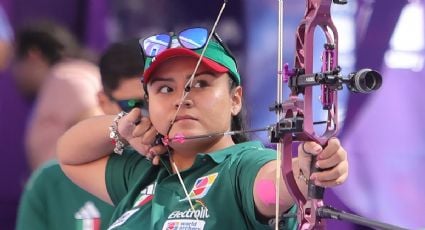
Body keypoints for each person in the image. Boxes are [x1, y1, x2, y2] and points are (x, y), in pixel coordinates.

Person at [57, 27, 348, 229]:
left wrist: (302, 171)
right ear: (149, 103)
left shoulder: (243, 166)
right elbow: (69, 155)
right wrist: (122, 128)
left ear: (235, 99)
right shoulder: (145, 172)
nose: (181, 99)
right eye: (164, 89)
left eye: (199, 84)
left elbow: (272, 188)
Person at [16, 39, 146, 230]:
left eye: (163, 94)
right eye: (133, 105)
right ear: (102, 101)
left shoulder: (191, 170)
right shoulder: (50, 182)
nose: (146, 117)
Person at [13, 20, 102, 170]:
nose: (14, 73)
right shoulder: (70, 77)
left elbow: (97, 126)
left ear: (32, 55)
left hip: (73, 190)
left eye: (15, 63)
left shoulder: (65, 79)